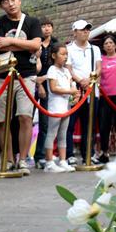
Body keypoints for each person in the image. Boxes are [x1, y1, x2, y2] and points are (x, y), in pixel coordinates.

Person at [0, 0, 41, 174]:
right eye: (6, 2)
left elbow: (36, 45)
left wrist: (10, 42)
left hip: (26, 75)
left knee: (25, 116)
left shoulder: (32, 22)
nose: (11, 4)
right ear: (1, 6)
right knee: (2, 119)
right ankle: (8, 159)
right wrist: (26, 45)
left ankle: (23, 159)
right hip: (2, 76)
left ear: (19, 0)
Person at [65, 20, 101, 165]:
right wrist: (80, 80)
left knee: (89, 123)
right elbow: (68, 69)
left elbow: (99, 68)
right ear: (75, 32)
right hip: (75, 90)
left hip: (92, 91)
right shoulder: (69, 49)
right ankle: (69, 154)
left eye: (87, 29)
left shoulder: (95, 49)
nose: (86, 32)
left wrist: (90, 79)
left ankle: (88, 154)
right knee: (70, 124)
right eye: (82, 29)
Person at [42, 43, 78, 173]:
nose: (65, 57)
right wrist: (70, 91)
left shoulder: (66, 71)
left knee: (63, 134)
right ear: (54, 55)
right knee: (52, 133)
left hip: (66, 107)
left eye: (66, 54)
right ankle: (49, 162)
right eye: (62, 54)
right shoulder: (52, 70)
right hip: (55, 107)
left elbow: (71, 86)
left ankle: (63, 160)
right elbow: (54, 88)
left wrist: (75, 95)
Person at [33, 18, 58, 168]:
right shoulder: (35, 42)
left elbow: (58, 67)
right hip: (32, 82)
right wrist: (38, 83)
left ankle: (40, 156)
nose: (46, 29)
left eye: (49, 26)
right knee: (25, 118)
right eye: (43, 26)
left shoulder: (56, 44)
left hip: (49, 84)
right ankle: (19, 156)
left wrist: (44, 81)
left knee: (45, 122)